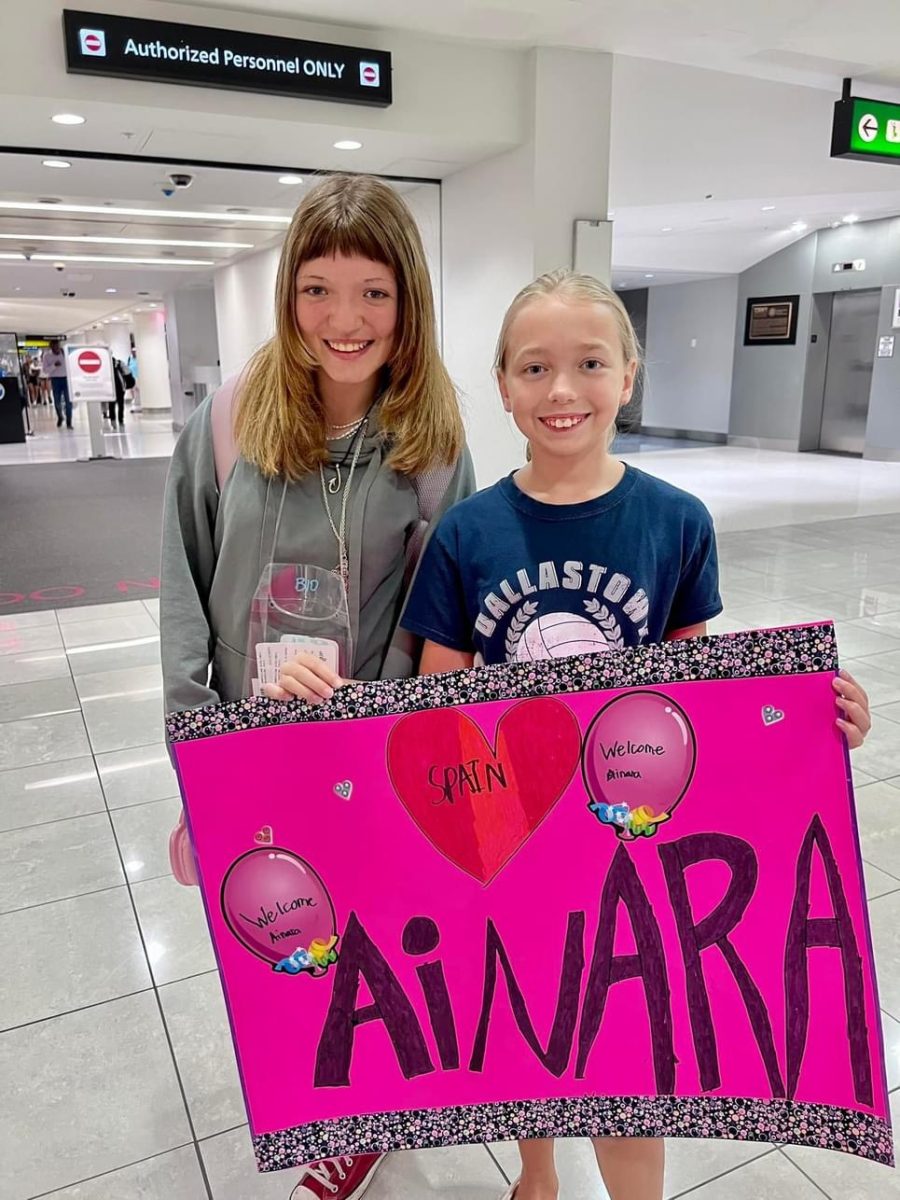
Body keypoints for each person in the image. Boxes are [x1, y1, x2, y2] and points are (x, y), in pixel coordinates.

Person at [394, 269, 873, 1200]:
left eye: (588, 364)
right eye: (534, 367)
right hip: (514, 830)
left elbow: (704, 697)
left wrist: (811, 726)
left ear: (629, 376)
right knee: (527, 1019)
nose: (561, 389)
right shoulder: (466, 533)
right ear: (502, 385)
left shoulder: (676, 522)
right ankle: (535, 1176)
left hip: (630, 840)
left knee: (625, 1042)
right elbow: (435, 706)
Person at [160, 172, 474, 1200]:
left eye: (374, 292)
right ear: (291, 295)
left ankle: (366, 1116)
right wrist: (198, 749)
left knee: (371, 931)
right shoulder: (228, 424)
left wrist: (368, 718)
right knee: (280, 929)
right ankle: (315, 1091)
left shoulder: (431, 445)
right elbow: (183, 590)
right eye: (320, 290)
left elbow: (438, 615)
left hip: (362, 746)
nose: (346, 321)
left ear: (407, 302)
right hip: (244, 749)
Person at [41, 338, 72, 428]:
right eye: (54, 347)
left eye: (58, 346)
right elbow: (45, 370)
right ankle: (60, 417)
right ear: (51, 347)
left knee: (68, 402)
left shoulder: (64, 353)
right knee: (57, 402)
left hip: (66, 379)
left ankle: (69, 422)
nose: (57, 349)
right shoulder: (47, 356)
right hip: (55, 380)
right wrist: (54, 365)